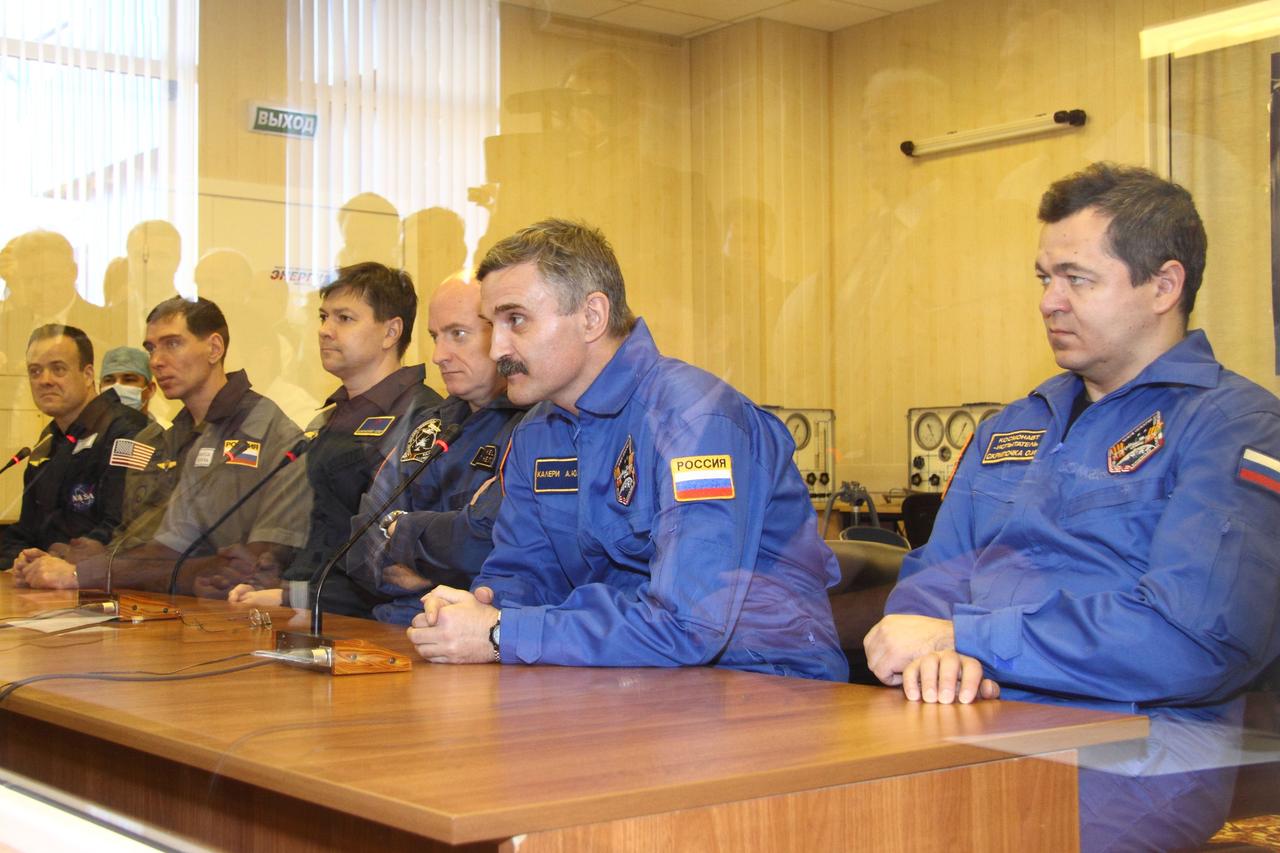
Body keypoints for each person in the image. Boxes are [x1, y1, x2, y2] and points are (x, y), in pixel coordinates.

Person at [862, 162, 1280, 850]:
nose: (1049, 301)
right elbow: (934, 579)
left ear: (1164, 286)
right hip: (972, 723)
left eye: (1076, 278)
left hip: (1136, 756)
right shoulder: (1012, 428)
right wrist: (925, 632)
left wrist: (969, 639)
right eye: (1043, 278)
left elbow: (1194, 641)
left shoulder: (1233, 427)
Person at [406, 219, 846, 681]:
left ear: (592, 317)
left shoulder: (695, 423)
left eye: (515, 320)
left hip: (765, 687)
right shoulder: (539, 432)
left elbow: (688, 625)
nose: (496, 349)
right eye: (490, 325)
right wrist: (470, 614)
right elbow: (520, 578)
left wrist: (502, 634)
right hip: (621, 676)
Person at [14, 297, 310, 595]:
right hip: (158, 602)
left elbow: (256, 560)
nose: (156, 361)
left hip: (231, 613)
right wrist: (85, 558)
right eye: (151, 348)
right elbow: (155, 542)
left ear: (214, 348)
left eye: (172, 344)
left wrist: (85, 573)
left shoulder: (266, 433)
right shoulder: (164, 440)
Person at [225, 263, 442, 616]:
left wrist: (290, 596)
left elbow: (394, 565)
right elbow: (318, 527)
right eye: (323, 317)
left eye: (344, 319)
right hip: (306, 604)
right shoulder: (326, 418)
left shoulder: (423, 418)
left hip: (366, 621)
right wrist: (271, 569)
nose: (325, 331)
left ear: (391, 332)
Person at [341, 276, 526, 625]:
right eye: (434, 337)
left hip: (480, 640)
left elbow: (499, 553)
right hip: (393, 627)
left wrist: (413, 551)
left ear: (502, 333)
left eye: (458, 334)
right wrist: (445, 566)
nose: (439, 356)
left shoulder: (535, 427)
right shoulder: (429, 425)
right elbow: (359, 548)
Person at [1, 325, 148, 570]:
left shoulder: (127, 432)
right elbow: (27, 529)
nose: (44, 380)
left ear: (88, 374)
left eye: (58, 369)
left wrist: (64, 560)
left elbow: (125, 527)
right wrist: (19, 557)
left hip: (105, 587)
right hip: (48, 585)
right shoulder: (49, 440)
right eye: (35, 371)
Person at [99, 345, 158, 416]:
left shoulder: (163, 427)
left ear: (150, 389)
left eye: (128, 380)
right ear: (100, 388)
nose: (116, 388)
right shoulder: (88, 426)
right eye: (109, 380)